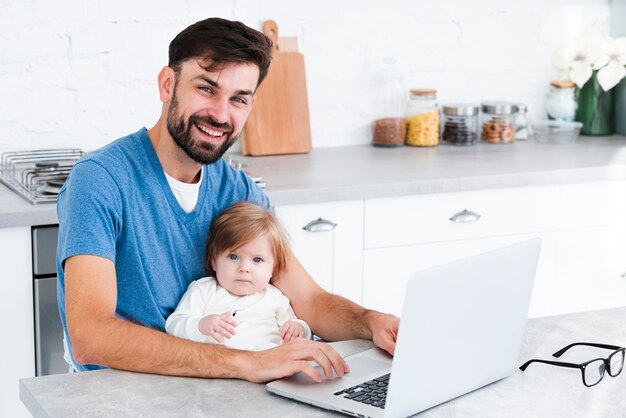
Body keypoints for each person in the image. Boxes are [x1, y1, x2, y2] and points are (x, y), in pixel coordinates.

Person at [57, 17, 399, 383]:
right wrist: (246, 363)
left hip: (216, 385)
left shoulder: (239, 190)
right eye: (206, 89)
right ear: (167, 84)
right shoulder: (100, 180)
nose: (221, 114)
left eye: (238, 99)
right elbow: (91, 336)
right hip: (124, 390)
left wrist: (372, 322)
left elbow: (310, 301)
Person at [166, 202, 312, 350]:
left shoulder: (275, 297)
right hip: (222, 365)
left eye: (257, 260)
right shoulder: (203, 290)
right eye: (233, 257)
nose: (244, 268)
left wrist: (299, 328)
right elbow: (173, 325)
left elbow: (299, 330)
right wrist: (201, 325)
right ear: (214, 262)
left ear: (272, 270)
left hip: (271, 361)